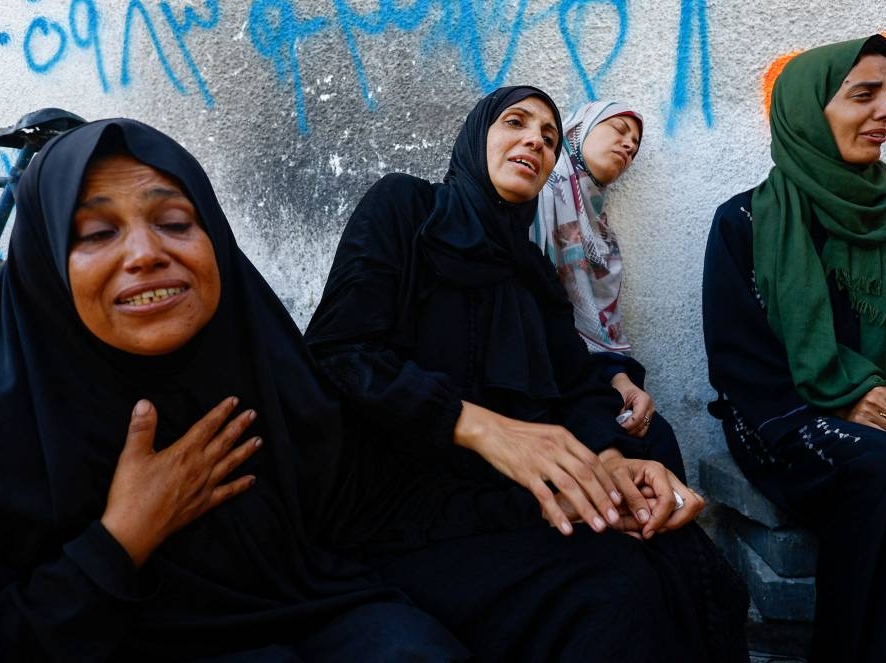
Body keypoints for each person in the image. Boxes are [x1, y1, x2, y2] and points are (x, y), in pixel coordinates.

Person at [0, 118, 474, 661]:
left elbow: (359, 512)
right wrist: (119, 540)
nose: (144, 254)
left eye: (174, 222)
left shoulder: (265, 368)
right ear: (46, 268)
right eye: (96, 233)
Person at [307, 85, 748, 661]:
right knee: (616, 591)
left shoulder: (533, 271)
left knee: (693, 564)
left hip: (514, 503)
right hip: (402, 514)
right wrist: (478, 426)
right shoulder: (406, 210)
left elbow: (574, 384)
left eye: (547, 136)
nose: (534, 141)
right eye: (516, 122)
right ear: (476, 138)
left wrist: (611, 463)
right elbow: (339, 355)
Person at [703, 34, 886, 663]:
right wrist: (845, 407)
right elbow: (741, 364)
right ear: (808, 110)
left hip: (885, 408)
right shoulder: (743, 222)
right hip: (782, 417)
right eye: (864, 95)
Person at [532, 101, 686, 477]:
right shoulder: (536, 192)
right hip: (535, 376)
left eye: (635, 143)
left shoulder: (598, 232)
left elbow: (598, 332)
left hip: (582, 374)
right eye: (618, 130)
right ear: (576, 132)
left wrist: (621, 381)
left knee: (655, 435)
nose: (629, 146)